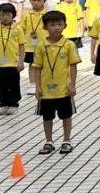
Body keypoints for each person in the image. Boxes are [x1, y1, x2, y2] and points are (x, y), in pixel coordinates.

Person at [33, 12, 79, 155]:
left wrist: (72, 84)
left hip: (64, 89)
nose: (56, 28)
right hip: (46, 91)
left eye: (59, 24)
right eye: (52, 25)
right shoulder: (41, 46)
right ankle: (49, 141)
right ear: (45, 27)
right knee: (47, 117)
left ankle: (66, 141)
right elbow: (38, 68)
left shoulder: (69, 45)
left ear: (65, 25)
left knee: (66, 115)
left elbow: (73, 66)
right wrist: (37, 87)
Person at [0, 4, 25, 114]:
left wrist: (21, 61)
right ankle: (4, 104)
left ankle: (13, 104)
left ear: (13, 15)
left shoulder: (18, 29)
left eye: (8, 14)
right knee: (0, 85)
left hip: (13, 63)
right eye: (2, 15)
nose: (5, 17)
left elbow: (22, 45)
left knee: (13, 84)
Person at [21, 0, 47, 96]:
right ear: (30, 1)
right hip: (30, 46)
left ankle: (43, 83)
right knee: (32, 65)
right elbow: (22, 29)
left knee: (44, 65)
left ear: (44, 1)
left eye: (39, 0)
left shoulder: (47, 14)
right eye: (34, 0)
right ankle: (32, 84)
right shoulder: (26, 14)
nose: (36, 2)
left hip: (44, 45)